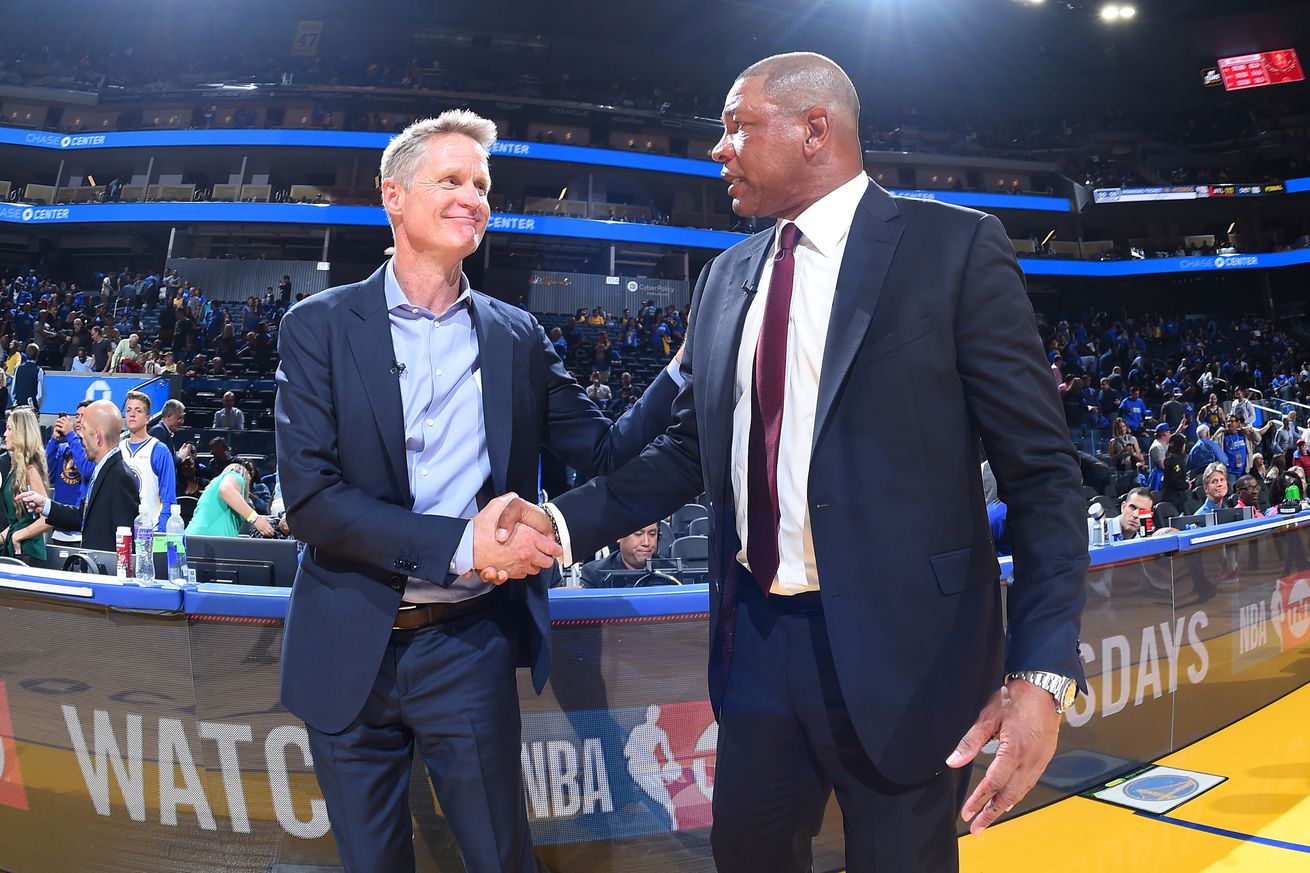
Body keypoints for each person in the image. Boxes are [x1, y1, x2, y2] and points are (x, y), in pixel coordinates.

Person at [494, 53, 1086, 871]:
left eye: (737, 125)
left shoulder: (953, 248)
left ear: (816, 130)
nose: (719, 149)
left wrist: (1042, 671)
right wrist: (559, 522)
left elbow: (1044, 476)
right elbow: (688, 455)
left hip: (914, 655)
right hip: (758, 643)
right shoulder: (726, 274)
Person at [273, 109, 680, 873]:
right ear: (393, 196)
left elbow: (602, 449)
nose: (474, 197)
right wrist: (460, 543)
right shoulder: (316, 326)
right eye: (451, 179)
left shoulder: (516, 334)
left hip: (466, 644)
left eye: (482, 184)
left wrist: (683, 367)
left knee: (502, 859)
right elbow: (311, 501)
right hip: (345, 644)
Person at [19, 400, 140, 552]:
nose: (79, 434)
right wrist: (45, 505)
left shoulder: (120, 477)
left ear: (97, 436)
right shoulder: (102, 470)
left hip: (105, 573)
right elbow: (82, 516)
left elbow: (125, 543)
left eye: (83, 428)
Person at [120, 390, 177, 532]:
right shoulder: (118, 448)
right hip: (122, 530)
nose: (132, 414)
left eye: (138, 410)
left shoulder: (159, 450)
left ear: (147, 418)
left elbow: (168, 498)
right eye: (128, 410)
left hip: (150, 531)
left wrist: (162, 533)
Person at [1, 407, 51, 560]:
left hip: (28, 553)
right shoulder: (16, 469)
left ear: (21, 433)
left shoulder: (31, 471)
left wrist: (18, 535)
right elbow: (20, 519)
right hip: (14, 549)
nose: (4, 434)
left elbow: (49, 519)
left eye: (9, 429)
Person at [45, 401, 95, 542]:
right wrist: (54, 440)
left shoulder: (95, 451)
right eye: (77, 415)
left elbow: (86, 470)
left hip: (81, 530)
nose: (78, 419)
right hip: (59, 527)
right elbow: (47, 474)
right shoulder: (63, 448)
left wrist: (71, 435)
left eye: (83, 416)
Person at [185, 462, 275, 537]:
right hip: (211, 543)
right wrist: (255, 518)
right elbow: (226, 489)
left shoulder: (211, 490)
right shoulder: (236, 474)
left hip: (193, 540)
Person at [578, 522, 660, 587]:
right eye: (638, 534)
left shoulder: (671, 571)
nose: (646, 542)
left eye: (652, 534)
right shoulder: (594, 575)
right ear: (619, 535)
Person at [10, 344, 44, 412]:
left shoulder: (18, 368)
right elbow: (40, 394)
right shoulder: (39, 370)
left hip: (18, 407)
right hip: (31, 408)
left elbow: (13, 390)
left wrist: (16, 403)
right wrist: (36, 407)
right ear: (37, 355)